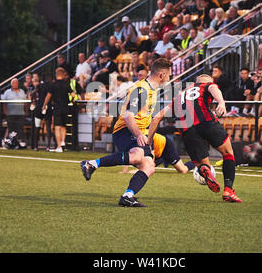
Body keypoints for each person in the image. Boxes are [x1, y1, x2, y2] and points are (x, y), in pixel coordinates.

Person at [80, 58, 173, 207]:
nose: (170, 78)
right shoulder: (141, 89)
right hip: (125, 130)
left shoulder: (152, 90)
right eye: (169, 75)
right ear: (161, 75)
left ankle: (128, 196)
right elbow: (128, 115)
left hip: (140, 133)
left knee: (149, 166)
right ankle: (91, 164)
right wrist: (138, 135)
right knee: (137, 156)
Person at [148, 74, 242, 203]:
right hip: (206, 121)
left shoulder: (179, 96)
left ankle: (204, 169)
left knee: (202, 164)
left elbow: (157, 117)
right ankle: (228, 190)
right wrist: (221, 102)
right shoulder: (207, 85)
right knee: (228, 153)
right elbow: (214, 89)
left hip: (186, 130)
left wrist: (149, 142)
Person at [120, 133, 195, 174]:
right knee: (137, 161)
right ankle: (164, 160)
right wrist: (125, 170)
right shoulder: (131, 137)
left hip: (165, 145)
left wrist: (140, 171)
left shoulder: (145, 137)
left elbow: (150, 158)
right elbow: (129, 153)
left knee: (183, 170)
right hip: (157, 151)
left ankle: (197, 161)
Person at [42, 67, 73, 153]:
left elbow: (48, 96)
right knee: (63, 126)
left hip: (57, 108)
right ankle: (63, 142)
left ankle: (59, 146)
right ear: (63, 75)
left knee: (57, 127)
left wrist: (44, 105)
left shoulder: (53, 85)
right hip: (66, 108)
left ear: (56, 75)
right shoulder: (67, 84)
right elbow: (73, 94)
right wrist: (71, 100)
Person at [1, 78, 27, 147]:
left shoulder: (22, 92)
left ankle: (20, 143)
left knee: (20, 129)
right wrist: (5, 112)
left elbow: (25, 102)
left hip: (20, 114)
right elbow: (4, 103)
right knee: (11, 129)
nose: (15, 84)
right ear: (11, 84)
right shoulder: (7, 92)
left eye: (16, 83)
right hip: (11, 114)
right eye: (14, 83)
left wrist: (26, 111)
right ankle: (10, 142)